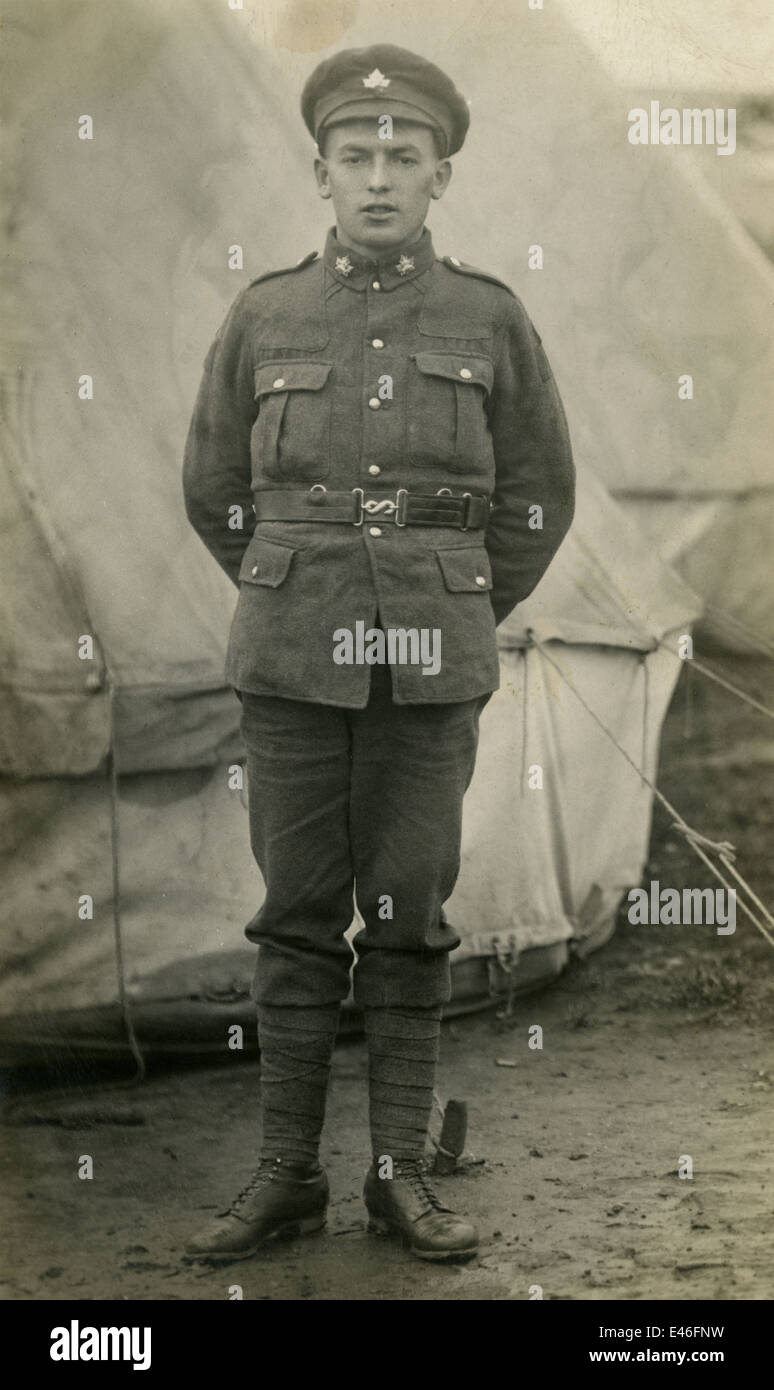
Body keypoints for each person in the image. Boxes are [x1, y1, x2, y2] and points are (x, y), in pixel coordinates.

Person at [182, 43, 575, 1264]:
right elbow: (214, 488)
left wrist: (456, 600)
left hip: (429, 662)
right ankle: (286, 1175)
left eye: (406, 156)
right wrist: (290, 585)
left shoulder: (488, 317)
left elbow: (539, 496)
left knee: (408, 913)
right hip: (291, 662)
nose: (380, 177)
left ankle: (400, 1174)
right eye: (356, 156)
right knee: (295, 917)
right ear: (321, 172)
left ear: (440, 175)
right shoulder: (264, 314)